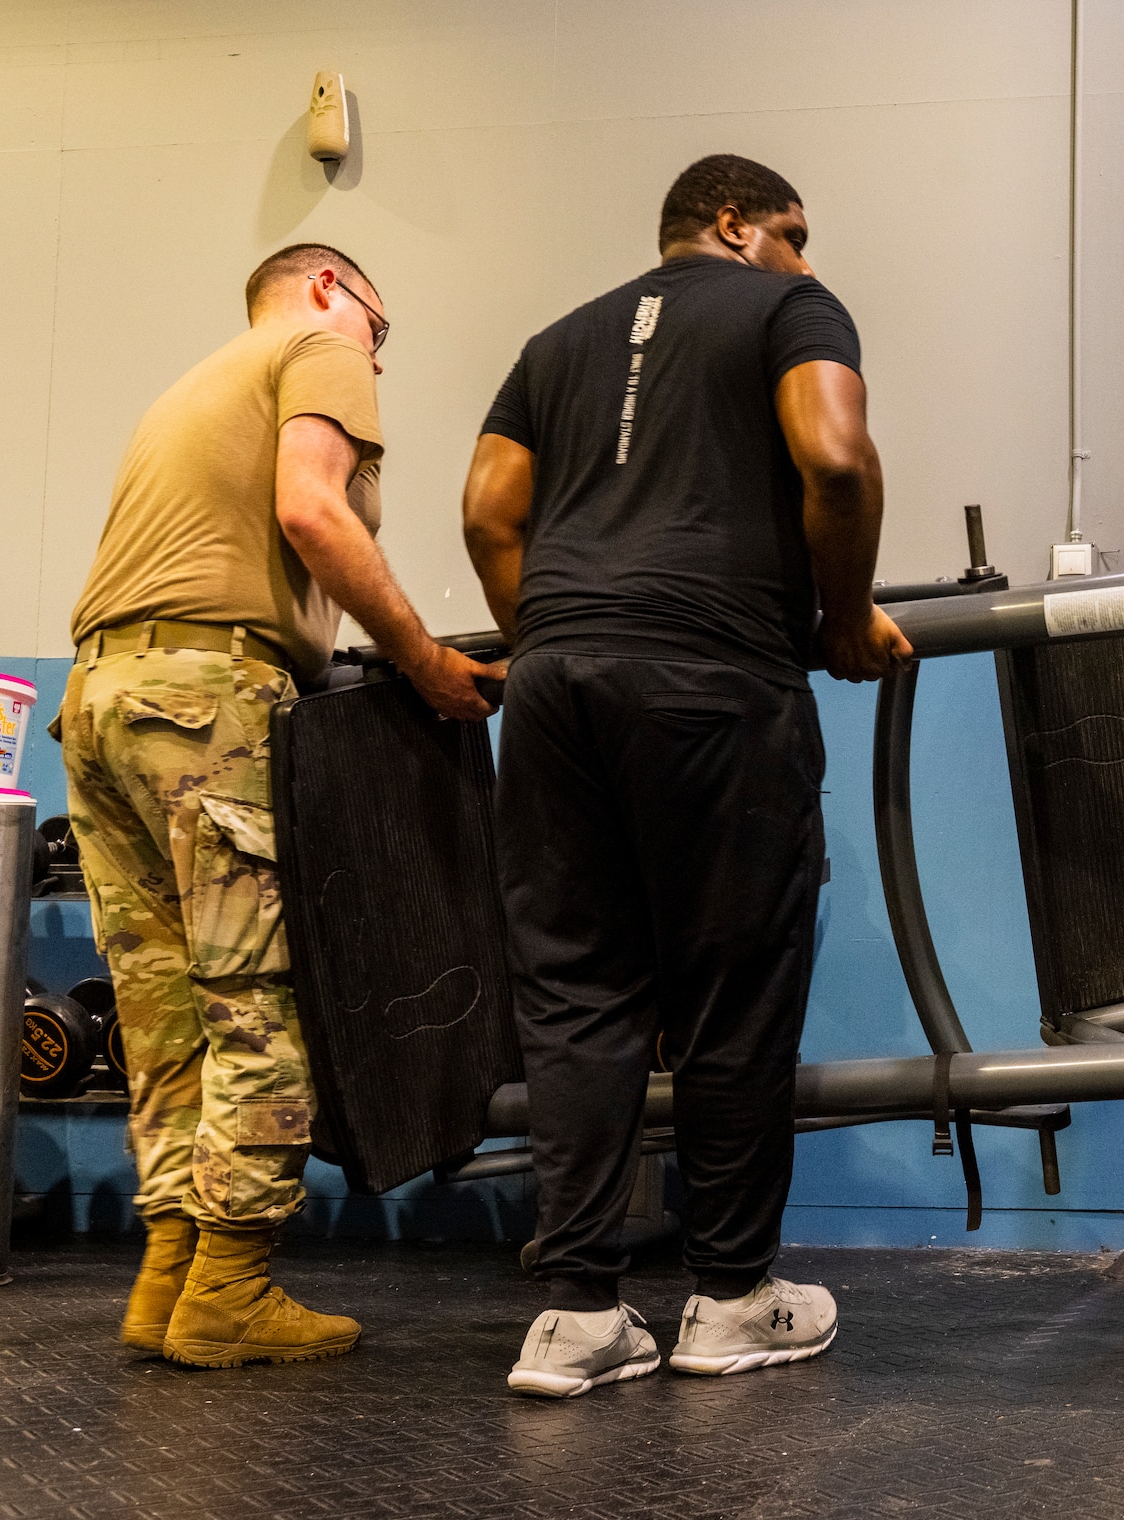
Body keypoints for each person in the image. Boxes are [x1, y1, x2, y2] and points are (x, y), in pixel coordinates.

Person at [463, 154, 909, 1398]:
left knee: (576, 996)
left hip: (554, 686)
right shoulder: (788, 310)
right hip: (711, 678)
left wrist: (556, 631)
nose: (809, 258)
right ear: (734, 224)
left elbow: (489, 511)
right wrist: (845, 613)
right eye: (794, 231)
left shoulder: (553, 340)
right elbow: (833, 457)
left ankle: (575, 1316)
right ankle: (728, 1297)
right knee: (733, 992)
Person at [62, 244, 501, 1368]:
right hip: (207, 701)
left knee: (162, 1020)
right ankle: (230, 1292)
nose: (377, 365)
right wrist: (419, 658)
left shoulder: (192, 384)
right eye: (380, 332)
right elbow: (313, 511)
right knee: (256, 1002)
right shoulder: (317, 343)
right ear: (323, 289)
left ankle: (166, 1281)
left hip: (104, 696)